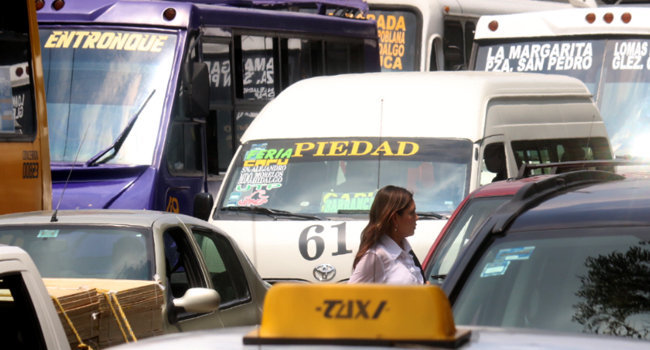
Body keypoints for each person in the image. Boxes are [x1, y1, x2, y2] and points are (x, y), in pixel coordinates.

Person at [349, 185, 425, 284]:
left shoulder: (405, 248)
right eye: (411, 213)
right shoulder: (376, 255)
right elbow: (350, 295)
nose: (416, 217)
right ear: (395, 218)